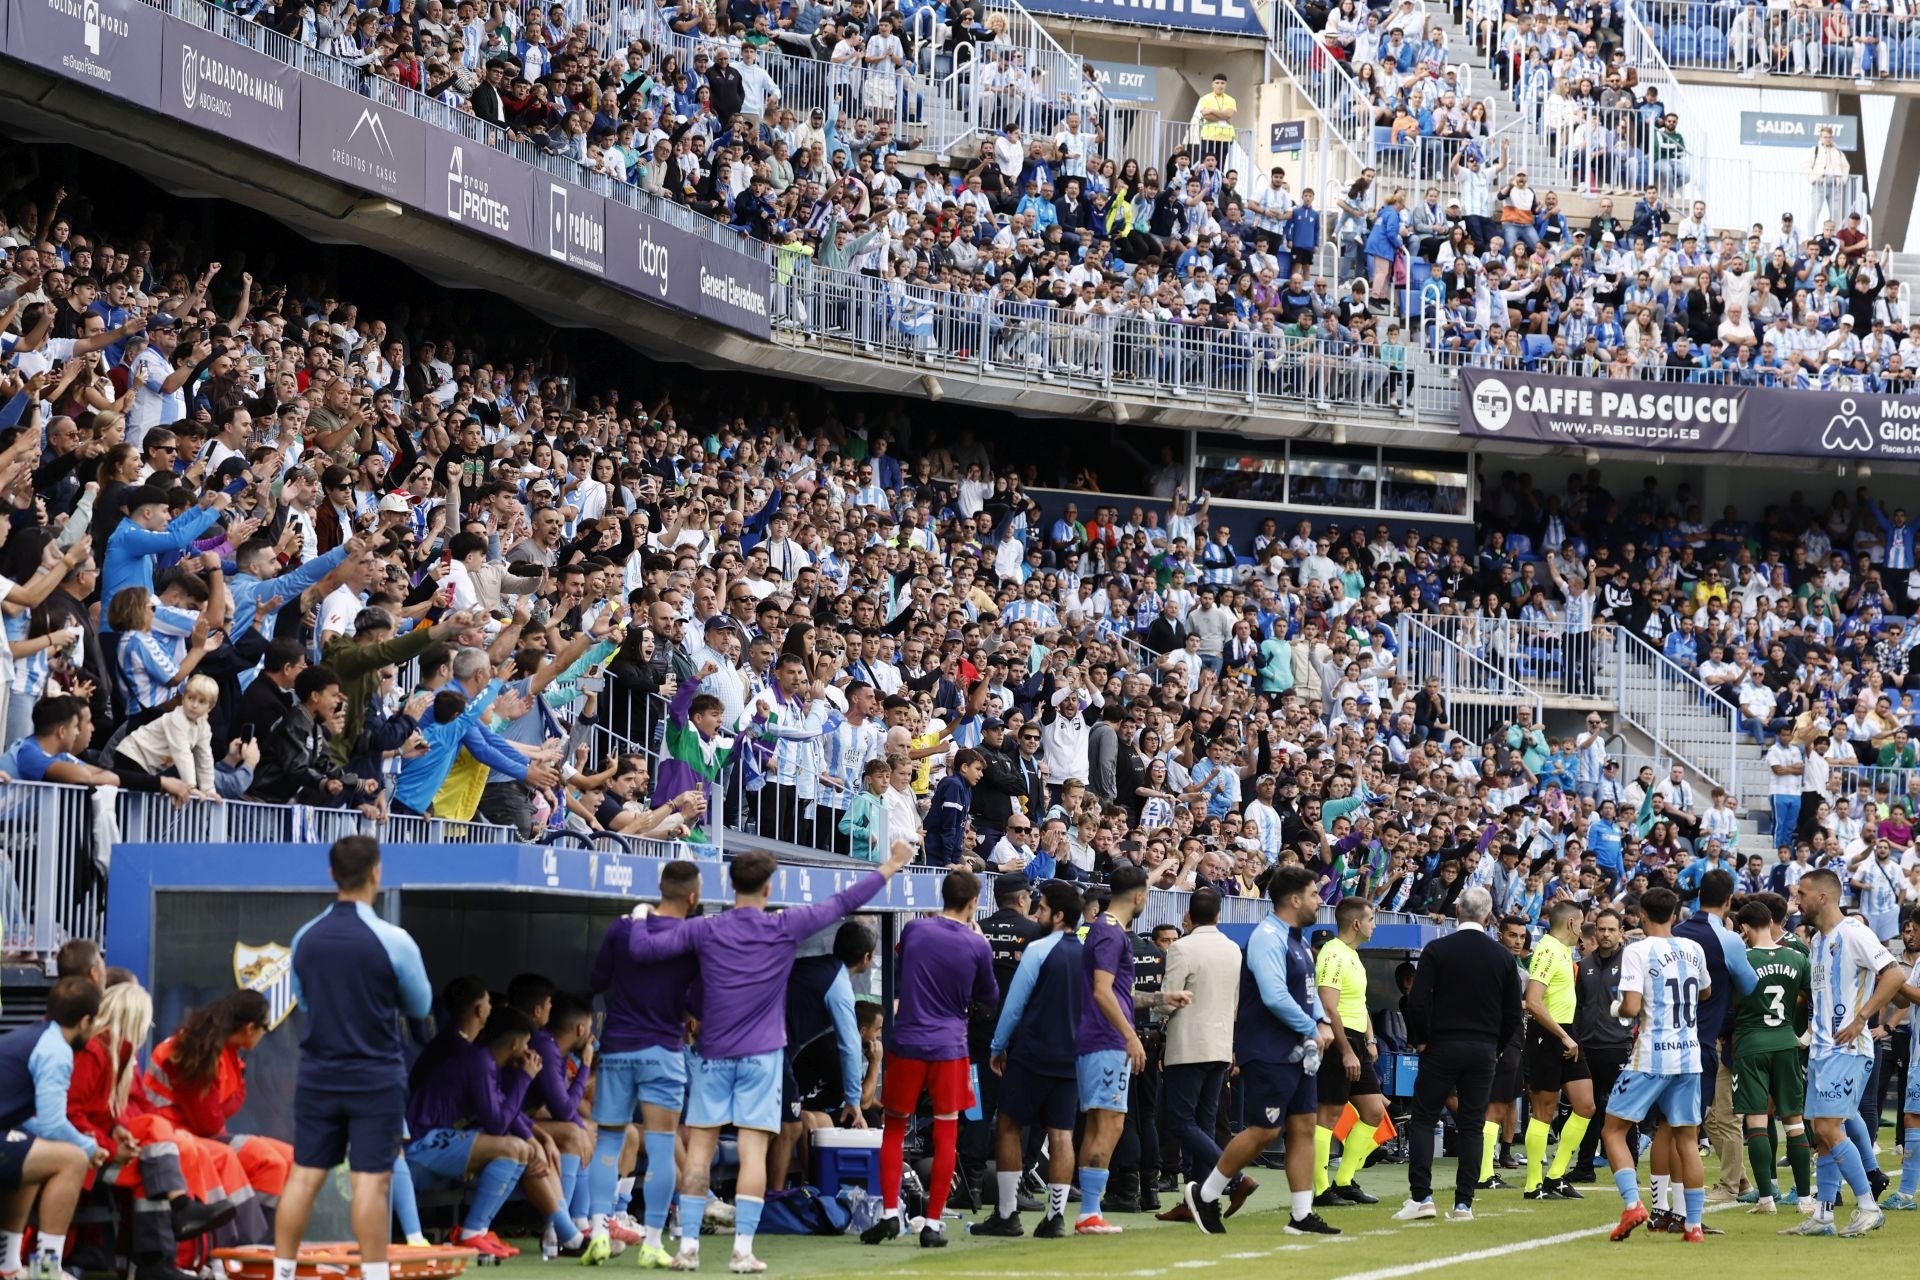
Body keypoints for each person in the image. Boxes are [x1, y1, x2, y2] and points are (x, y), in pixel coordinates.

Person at [623, 842, 917, 1273]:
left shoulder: (708, 928)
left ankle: (688, 1248)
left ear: (730, 884)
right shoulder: (784, 926)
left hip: (713, 1056)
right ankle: (742, 1249)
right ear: (768, 889)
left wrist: (638, 918)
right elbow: (845, 900)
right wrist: (891, 864)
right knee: (754, 1153)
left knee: (700, 1151)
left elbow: (647, 948)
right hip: (762, 1057)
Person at [273, 837, 433, 1280]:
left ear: (331, 875)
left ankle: (283, 1272)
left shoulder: (305, 937)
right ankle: (375, 1275)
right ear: (376, 874)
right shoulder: (393, 939)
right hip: (376, 1076)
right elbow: (420, 1006)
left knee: (305, 1175)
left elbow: (304, 1004)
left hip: (319, 1073)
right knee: (371, 1180)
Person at [1181, 864, 1337, 1237]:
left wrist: (1322, 1022)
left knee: (1303, 1126)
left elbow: (1309, 993)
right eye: (1315, 894)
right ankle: (1206, 1194)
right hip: (1269, 1048)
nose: (1320, 901)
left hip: (1298, 1050)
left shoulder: (1298, 939)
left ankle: (1301, 1216)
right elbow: (1274, 996)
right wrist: (1311, 1027)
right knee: (1265, 1129)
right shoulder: (1268, 936)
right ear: (1295, 899)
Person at [862, 869, 997, 1248]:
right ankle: (932, 1222)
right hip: (949, 1046)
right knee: (947, 1133)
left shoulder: (916, 931)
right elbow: (989, 995)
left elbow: (904, 968)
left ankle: (891, 1213)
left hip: (907, 1040)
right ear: (973, 903)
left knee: (893, 1128)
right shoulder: (976, 945)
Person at [586, 861, 702, 1268]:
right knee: (661, 1146)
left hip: (617, 1047)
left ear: (660, 888)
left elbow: (597, 980)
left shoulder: (622, 927)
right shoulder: (691, 937)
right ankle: (653, 1241)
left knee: (608, 1142)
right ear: (692, 896)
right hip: (664, 1052)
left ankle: (597, 1233)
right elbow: (699, 1002)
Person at [1784, 866, 1904, 1237]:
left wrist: (1862, 1018)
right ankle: (1823, 1214)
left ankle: (1868, 1206)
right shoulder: (1819, 941)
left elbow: (1895, 974)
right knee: (1822, 1134)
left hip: (1848, 1049)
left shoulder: (1854, 933)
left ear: (1822, 897)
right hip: (1822, 1050)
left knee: (1828, 1127)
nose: (1796, 901)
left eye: (1801, 894)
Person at [1072, 864, 1191, 1234]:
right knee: (1109, 1123)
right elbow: (1102, 992)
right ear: (1139, 897)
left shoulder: (1105, 930)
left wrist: (1160, 998)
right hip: (1107, 1041)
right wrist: (1130, 1035)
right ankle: (1089, 1212)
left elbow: (1119, 994)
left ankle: (1088, 1212)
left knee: (1101, 1123)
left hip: (1098, 1038)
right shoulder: (1110, 934)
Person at [1392, 886, 1521, 1222]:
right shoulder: (1503, 957)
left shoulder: (1437, 949)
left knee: (1423, 1118)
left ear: (1458, 910)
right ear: (1489, 916)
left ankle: (1421, 1197)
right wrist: (1496, 1045)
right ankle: (1464, 1203)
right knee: (1472, 1125)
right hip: (1484, 1048)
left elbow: (1418, 1001)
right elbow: (1512, 1014)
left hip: (1442, 1045)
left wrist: (1422, 1040)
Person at [1600, 886, 1711, 1243]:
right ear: (1675, 916)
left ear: (1641, 917)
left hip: (1651, 1054)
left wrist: (1616, 1007)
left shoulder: (1638, 950)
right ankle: (1693, 1226)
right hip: (1689, 1054)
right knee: (1687, 1140)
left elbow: (1630, 1007)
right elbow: (1705, 991)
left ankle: (1633, 1204)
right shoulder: (1694, 949)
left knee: (1613, 1130)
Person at [975, 880, 1083, 1239]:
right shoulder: (1085, 953)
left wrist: (997, 1047)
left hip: (1033, 1053)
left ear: (1059, 915)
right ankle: (1055, 1218)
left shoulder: (1038, 950)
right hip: (1071, 1058)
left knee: (1008, 1126)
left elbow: (1014, 1005)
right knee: (1062, 1134)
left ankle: (1007, 1214)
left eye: (1043, 908)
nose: (1036, 912)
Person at [1155, 888, 1252, 1225]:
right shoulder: (1232, 949)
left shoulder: (1182, 947)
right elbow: (1236, 1000)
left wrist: (1149, 1006)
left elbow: (1168, 1000)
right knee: (1204, 1124)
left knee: (1180, 1122)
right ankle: (1196, 1200)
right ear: (1219, 916)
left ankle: (1235, 1177)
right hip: (1221, 1044)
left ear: (1188, 917)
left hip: (1188, 1045)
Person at [1730, 898, 1811, 1214]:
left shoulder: (1743, 959)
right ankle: (1805, 1199)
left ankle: (1766, 1199)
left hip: (1751, 1044)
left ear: (1747, 927)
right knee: (1795, 1123)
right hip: (1786, 1041)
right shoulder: (1796, 957)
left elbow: (1733, 1000)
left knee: (1757, 1122)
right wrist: (1803, 1035)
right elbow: (1810, 996)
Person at [1312, 897, 1387, 1206]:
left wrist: (1369, 1040)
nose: (1374, 925)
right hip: (1338, 1043)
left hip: (1357, 1042)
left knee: (1373, 1111)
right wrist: (1346, 1050)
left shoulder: (1353, 955)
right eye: (1371, 919)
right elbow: (1328, 1006)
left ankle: (1344, 1180)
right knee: (1328, 1115)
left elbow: (1359, 1004)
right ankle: (1318, 1189)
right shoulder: (1332, 954)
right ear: (1357, 923)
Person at [1521, 900, 1595, 1201]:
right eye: (1582, 923)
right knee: (1544, 1112)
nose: (1584, 929)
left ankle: (1556, 1176)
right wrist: (1564, 1036)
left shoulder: (1564, 950)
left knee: (1586, 1105)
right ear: (1572, 924)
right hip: (1548, 1035)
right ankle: (1533, 1184)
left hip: (1566, 1032)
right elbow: (1534, 1001)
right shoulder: (1548, 950)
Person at [1569, 907, 1632, 1183]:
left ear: (1621, 932)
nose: (1606, 934)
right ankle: (1584, 1166)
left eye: (1611, 929)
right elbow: (1578, 1006)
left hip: (1620, 1045)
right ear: (1595, 933)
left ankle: (1629, 1168)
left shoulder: (1632, 963)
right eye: (1601, 929)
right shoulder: (1584, 964)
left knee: (1624, 1109)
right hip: (1588, 1047)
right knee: (1586, 1110)